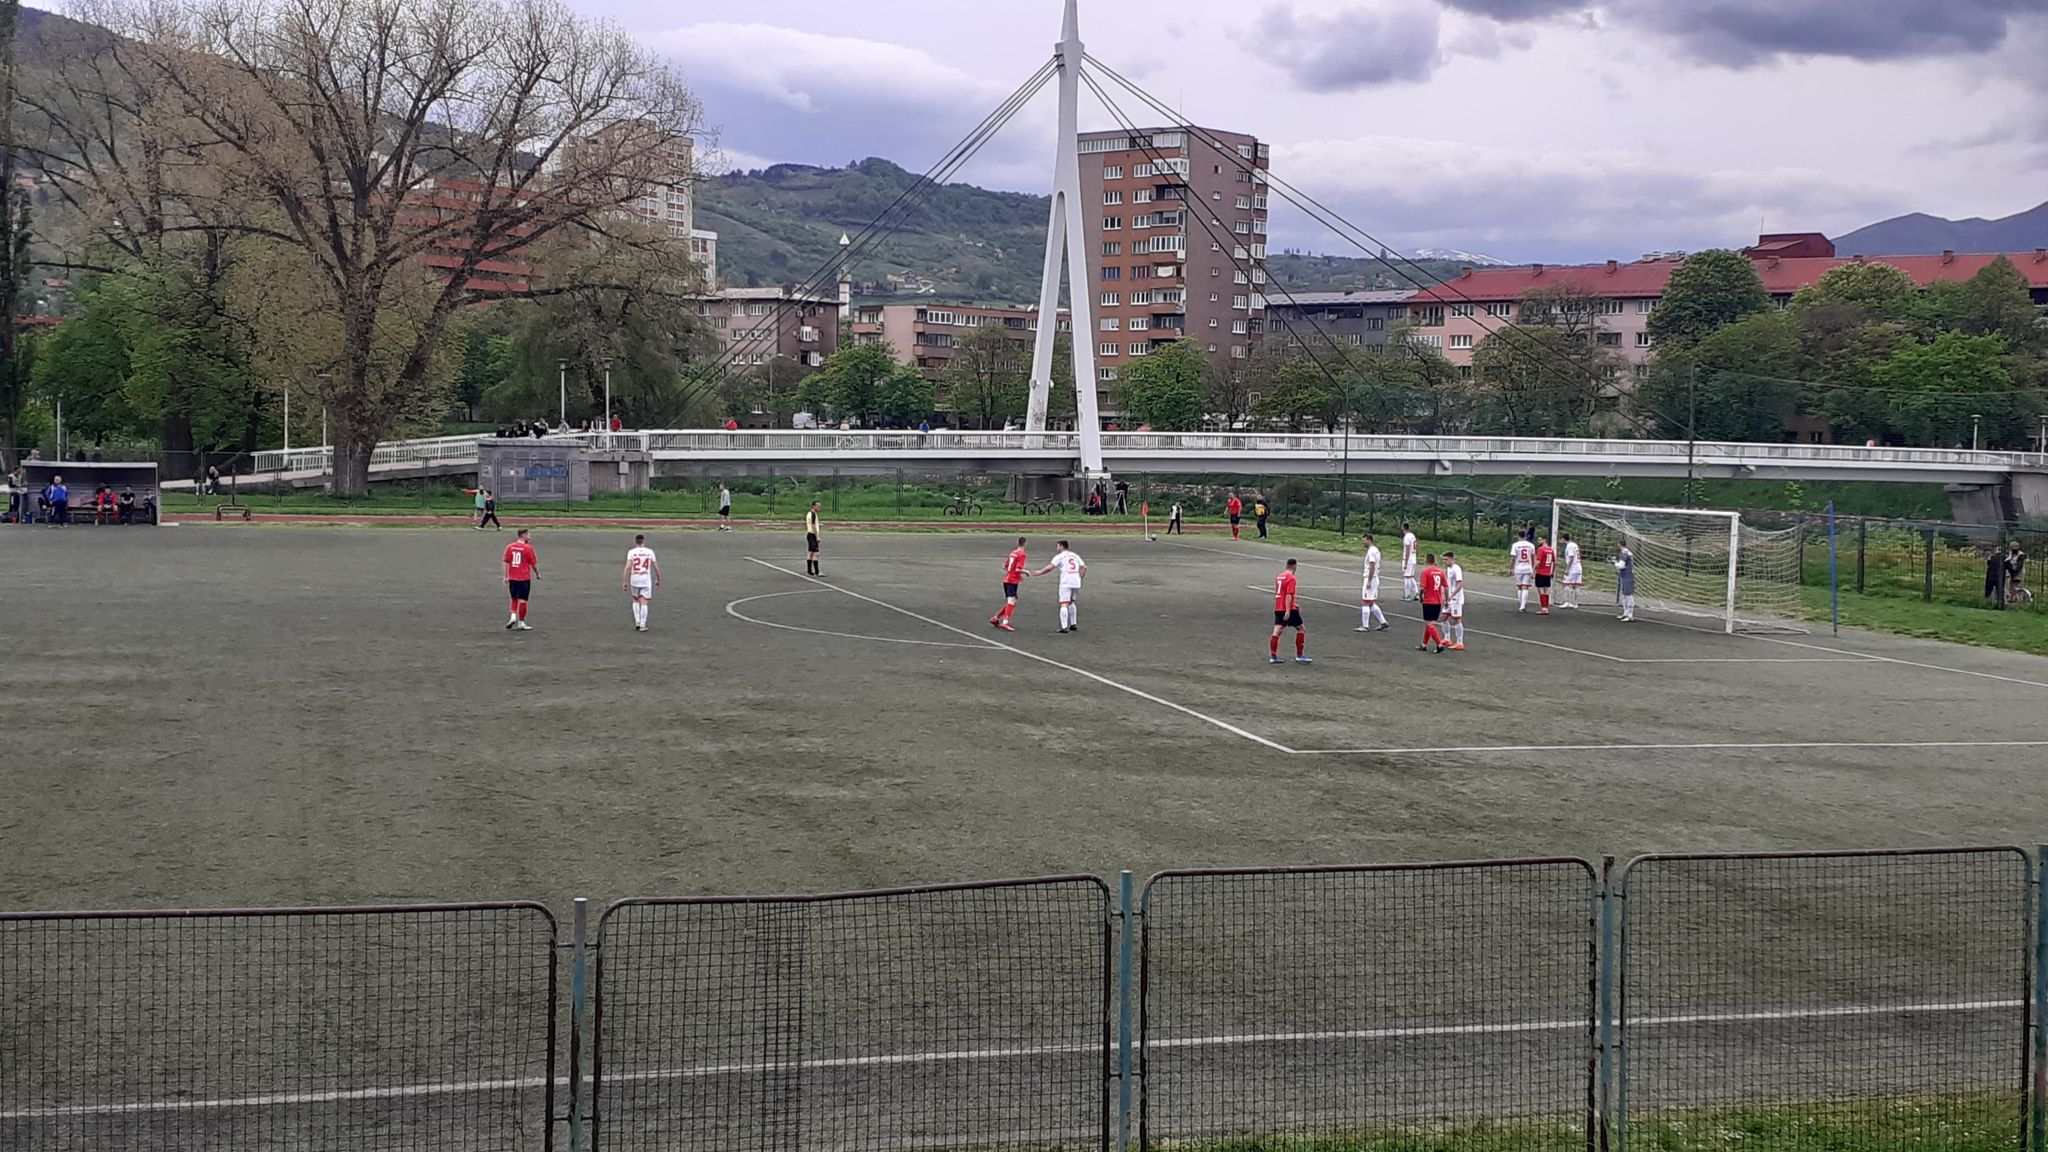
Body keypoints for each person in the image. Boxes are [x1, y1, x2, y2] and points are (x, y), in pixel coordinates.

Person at [1032, 539, 1086, 633]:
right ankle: (1073, 624)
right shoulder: (1075, 555)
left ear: (1061, 546)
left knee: (1064, 603)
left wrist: (1039, 572)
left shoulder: (1060, 556)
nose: (1057, 548)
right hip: (1076, 581)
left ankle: (1064, 627)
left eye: (1058, 546)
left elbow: (1050, 567)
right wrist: (1080, 577)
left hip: (1066, 581)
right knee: (1071, 602)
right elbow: (1084, 567)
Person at [1270, 558, 1311, 664]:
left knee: (1276, 632)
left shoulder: (1279, 576)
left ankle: (1273, 656)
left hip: (1278, 607)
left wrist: (1294, 604)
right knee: (1301, 629)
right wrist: (1288, 610)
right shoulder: (1291, 578)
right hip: (1288, 609)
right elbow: (1288, 594)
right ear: (1294, 567)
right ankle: (1299, 656)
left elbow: (1282, 593)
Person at [989, 537, 1030, 632]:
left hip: (1007, 579)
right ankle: (1005, 622)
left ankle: (995, 618)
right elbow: (1017, 569)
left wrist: (1016, 575)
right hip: (1012, 580)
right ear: (1025, 543)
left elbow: (1005, 566)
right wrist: (1026, 572)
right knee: (1011, 601)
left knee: (1012, 601)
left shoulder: (1013, 553)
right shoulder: (1022, 554)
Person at [623, 534, 661, 632]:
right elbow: (656, 568)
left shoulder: (631, 552)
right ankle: (643, 624)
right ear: (643, 541)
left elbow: (627, 567)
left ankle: (637, 621)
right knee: (644, 602)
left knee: (635, 600)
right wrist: (658, 579)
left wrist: (624, 581)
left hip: (634, 579)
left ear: (635, 542)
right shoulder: (650, 552)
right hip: (645, 580)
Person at [503, 528, 540, 630]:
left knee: (514, 598)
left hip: (512, 577)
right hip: (524, 578)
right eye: (528, 534)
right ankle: (521, 622)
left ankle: (513, 616)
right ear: (524, 535)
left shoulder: (510, 547)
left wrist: (506, 576)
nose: (530, 536)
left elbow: (506, 561)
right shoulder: (528, 548)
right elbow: (533, 563)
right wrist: (537, 573)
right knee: (523, 600)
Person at [1357, 533, 1390, 632]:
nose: (1363, 542)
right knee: (1371, 602)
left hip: (1370, 578)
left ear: (1369, 540)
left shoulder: (1371, 551)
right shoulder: (1375, 550)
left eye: (1364, 540)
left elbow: (1372, 566)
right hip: (1375, 578)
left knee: (1365, 602)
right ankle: (1383, 622)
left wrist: (1369, 581)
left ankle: (1365, 626)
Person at [1416, 553, 1448, 653]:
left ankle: (1439, 645)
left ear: (1427, 560)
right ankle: (1424, 644)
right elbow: (1446, 587)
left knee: (1429, 624)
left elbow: (1422, 588)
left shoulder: (1425, 572)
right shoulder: (1441, 572)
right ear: (1435, 561)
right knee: (1430, 623)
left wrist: (1421, 597)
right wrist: (1446, 599)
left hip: (1429, 601)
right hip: (1438, 601)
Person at [1443, 550, 1468, 651]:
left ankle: (1459, 642)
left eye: (1446, 559)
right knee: (1444, 617)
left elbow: (1460, 583)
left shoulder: (1456, 569)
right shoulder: (1449, 569)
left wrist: (1452, 594)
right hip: (1449, 598)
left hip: (1456, 598)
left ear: (1451, 559)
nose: (1445, 561)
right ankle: (1447, 638)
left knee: (1457, 619)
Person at [1509, 532, 1537, 612]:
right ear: (1525, 536)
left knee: (1519, 586)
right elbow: (1533, 557)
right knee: (1525, 586)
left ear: (1518, 536)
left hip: (1518, 567)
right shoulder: (1531, 545)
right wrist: (1533, 567)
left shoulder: (1515, 545)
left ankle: (1521, 603)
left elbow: (1513, 557)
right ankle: (1523, 605)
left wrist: (1510, 568)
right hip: (1528, 567)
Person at [1532, 534, 1556, 615]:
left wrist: (1533, 571)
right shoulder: (1551, 549)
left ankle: (1543, 608)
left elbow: (1538, 561)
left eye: (1540, 540)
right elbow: (1554, 562)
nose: (1538, 541)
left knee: (1541, 590)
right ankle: (1546, 608)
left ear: (1544, 540)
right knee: (1546, 590)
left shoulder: (1541, 549)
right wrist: (1552, 571)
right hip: (1548, 572)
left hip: (1541, 571)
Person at [1560, 532, 1583, 609]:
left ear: (1563, 539)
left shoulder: (1569, 546)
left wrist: (1567, 569)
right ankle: (1575, 603)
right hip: (1578, 567)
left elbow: (1571, 557)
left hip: (1573, 568)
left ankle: (1567, 602)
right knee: (1575, 585)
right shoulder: (1575, 545)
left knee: (1565, 584)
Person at [1615, 543, 1637, 622]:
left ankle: (1630, 614)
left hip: (1628, 576)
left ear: (1619, 544)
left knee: (1628, 595)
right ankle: (1626, 612)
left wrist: (1615, 563)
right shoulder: (1627, 552)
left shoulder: (1625, 553)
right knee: (1624, 594)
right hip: (1625, 576)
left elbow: (1622, 565)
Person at [1400, 523, 1419, 601]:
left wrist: (1406, 562)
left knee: (1407, 577)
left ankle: (1407, 595)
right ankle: (1416, 593)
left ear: (1403, 528)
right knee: (1411, 576)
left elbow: (1407, 550)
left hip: (1409, 559)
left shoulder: (1407, 537)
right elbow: (1416, 547)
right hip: (1413, 558)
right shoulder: (1412, 536)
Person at [805, 500, 823, 576]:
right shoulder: (813, 514)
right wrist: (817, 536)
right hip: (812, 535)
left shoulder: (809, 513)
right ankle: (817, 571)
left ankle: (809, 570)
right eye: (818, 506)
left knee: (810, 552)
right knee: (816, 553)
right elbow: (813, 525)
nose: (819, 507)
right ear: (813, 506)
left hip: (809, 534)